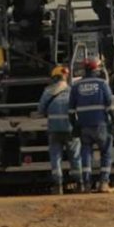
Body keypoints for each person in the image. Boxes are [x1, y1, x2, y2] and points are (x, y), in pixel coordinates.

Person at [69, 58, 114, 193]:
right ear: (96, 70)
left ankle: (86, 184)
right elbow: (110, 106)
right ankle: (103, 183)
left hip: (84, 126)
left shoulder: (76, 86)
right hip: (100, 125)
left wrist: (75, 126)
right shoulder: (102, 84)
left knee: (86, 154)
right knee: (106, 153)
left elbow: (71, 110)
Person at [38, 66, 80, 194]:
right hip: (70, 129)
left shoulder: (48, 92)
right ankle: (79, 184)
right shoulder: (73, 91)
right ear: (65, 77)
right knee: (75, 156)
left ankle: (58, 185)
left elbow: (40, 110)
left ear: (54, 78)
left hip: (54, 130)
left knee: (55, 157)